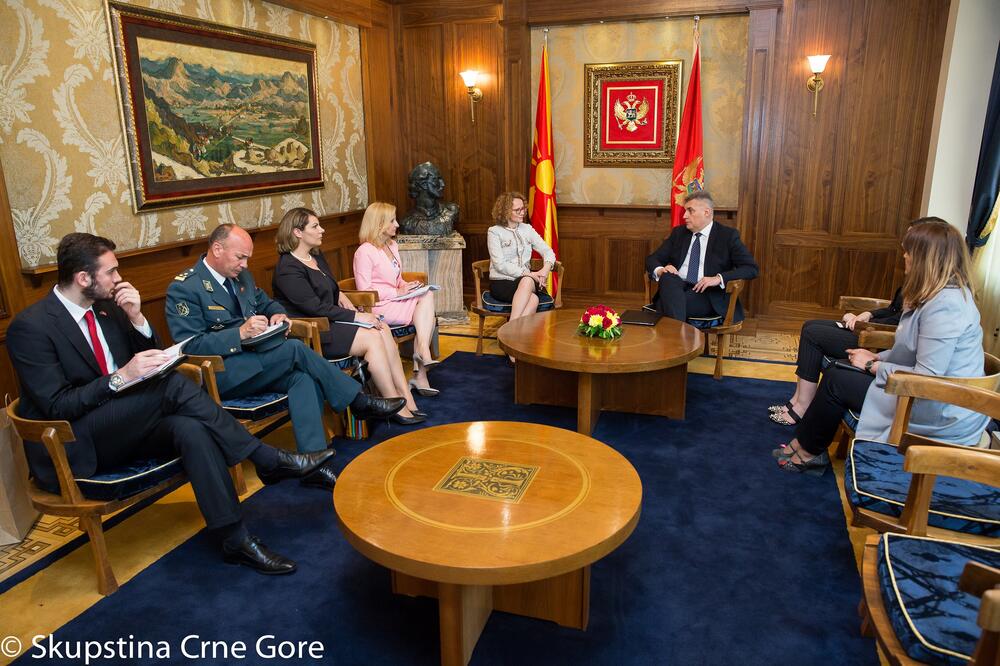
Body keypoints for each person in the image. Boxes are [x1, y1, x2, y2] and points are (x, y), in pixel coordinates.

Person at [7, 233, 340, 574]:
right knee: (171, 388)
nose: (119, 278)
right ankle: (266, 458)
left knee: (191, 427)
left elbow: (150, 355)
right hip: (77, 438)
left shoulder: (107, 309)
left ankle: (234, 538)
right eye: (112, 272)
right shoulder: (31, 328)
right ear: (83, 278)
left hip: (127, 419)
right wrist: (119, 378)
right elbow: (58, 406)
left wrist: (137, 318)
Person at [166, 223, 406, 491]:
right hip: (221, 373)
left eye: (248, 257)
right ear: (217, 249)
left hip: (258, 363)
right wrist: (240, 335)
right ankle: (357, 400)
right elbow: (189, 345)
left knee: (302, 378)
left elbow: (267, 303)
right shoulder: (186, 288)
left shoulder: (241, 277)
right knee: (293, 350)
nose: (245, 264)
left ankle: (314, 464)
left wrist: (278, 314)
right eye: (240, 257)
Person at [774, 219, 988, 475]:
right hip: (924, 393)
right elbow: (909, 352)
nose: (905, 256)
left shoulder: (947, 306)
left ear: (925, 258)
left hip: (939, 407)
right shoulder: (935, 297)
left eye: (909, 251)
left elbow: (927, 377)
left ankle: (807, 452)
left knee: (836, 381)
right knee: (838, 368)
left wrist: (872, 365)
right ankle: (807, 445)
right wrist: (873, 357)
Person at [769, 217, 941, 426]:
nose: (904, 250)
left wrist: (864, 330)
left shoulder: (937, 299)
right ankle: (797, 401)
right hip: (874, 328)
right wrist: (868, 314)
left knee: (814, 334)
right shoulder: (917, 280)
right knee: (810, 326)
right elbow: (893, 309)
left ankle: (803, 406)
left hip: (877, 337)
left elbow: (899, 324)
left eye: (910, 243)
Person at [272, 208, 429, 425]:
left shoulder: (315, 255)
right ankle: (392, 402)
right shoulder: (287, 268)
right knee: (373, 336)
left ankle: (405, 396)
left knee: (382, 328)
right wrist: (357, 317)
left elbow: (327, 288)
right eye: (315, 226)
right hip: (315, 332)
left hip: (333, 321)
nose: (322, 230)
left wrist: (341, 294)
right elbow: (315, 308)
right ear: (298, 232)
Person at [353, 202, 438, 390]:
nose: (397, 224)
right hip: (376, 306)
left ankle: (422, 356)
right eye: (392, 220)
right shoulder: (364, 251)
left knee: (427, 294)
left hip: (395, 300)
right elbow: (364, 290)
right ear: (379, 224)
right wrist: (396, 292)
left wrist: (406, 286)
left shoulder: (391, 245)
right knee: (424, 312)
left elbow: (395, 278)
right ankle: (421, 366)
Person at [644, 190, 758, 323]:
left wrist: (718, 278)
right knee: (668, 278)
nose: (684, 216)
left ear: (707, 212)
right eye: (685, 211)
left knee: (669, 304)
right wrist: (661, 270)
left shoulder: (727, 236)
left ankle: (675, 339)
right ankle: (680, 341)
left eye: (690, 211)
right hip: (677, 287)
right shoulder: (679, 233)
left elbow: (751, 268)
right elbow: (652, 259)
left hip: (706, 293)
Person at [486, 191, 556, 327]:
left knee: (527, 281)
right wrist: (529, 274)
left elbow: (548, 251)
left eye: (523, 208)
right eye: (517, 210)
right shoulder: (494, 232)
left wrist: (545, 270)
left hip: (527, 282)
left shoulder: (527, 229)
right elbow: (500, 265)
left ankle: (509, 330)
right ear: (505, 211)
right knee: (534, 299)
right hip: (502, 283)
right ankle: (516, 335)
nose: (522, 212)